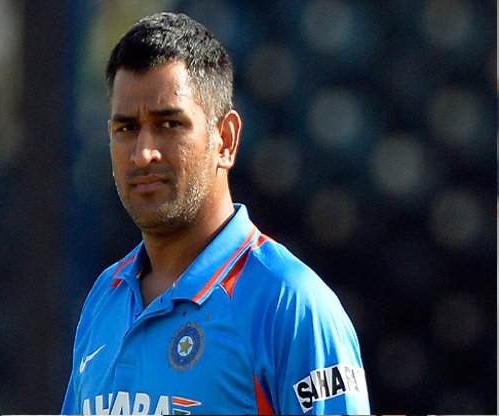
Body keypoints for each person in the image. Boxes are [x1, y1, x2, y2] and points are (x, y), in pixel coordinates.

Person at [61, 11, 370, 415]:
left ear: (225, 139)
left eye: (169, 124)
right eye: (127, 128)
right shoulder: (105, 297)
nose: (143, 153)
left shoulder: (291, 305)